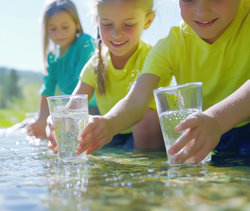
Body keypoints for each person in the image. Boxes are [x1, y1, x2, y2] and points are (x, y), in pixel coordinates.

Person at [68, 0, 249, 163]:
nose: (201, 11)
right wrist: (109, 124)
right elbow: (137, 100)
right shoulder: (172, 45)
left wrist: (217, 120)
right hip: (206, 138)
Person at [66, 0, 170, 150]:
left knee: (146, 121)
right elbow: (74, 105)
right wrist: (58, 123)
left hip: (146, 135)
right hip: (110, 135)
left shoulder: (153, 57)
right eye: (107, 24)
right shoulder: (96, 63)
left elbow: (137, 104)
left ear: (148, 21)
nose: (116, 34)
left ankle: (145, 167)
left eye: (128, 25)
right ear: (97, 20)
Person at [26, 0, 97, 139]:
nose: (59, 33)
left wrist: (62, 118)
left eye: (65, 27)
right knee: (28, 127)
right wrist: (40, 121)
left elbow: (83, 85)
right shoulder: (52, 57)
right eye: (53, 29)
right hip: (68, 110)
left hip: (91, 109)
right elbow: (47, 90)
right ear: (46, 30)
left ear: (76, 24)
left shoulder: (85, 43)